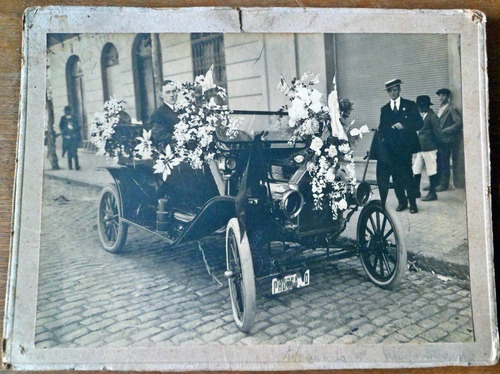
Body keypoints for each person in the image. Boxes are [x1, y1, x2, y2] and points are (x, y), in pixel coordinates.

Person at [376, 79, 423, 214]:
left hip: (405, 149)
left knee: (407, 175)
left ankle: (413, 203)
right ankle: (402, 201)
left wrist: (404, 126)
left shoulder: (410, 105)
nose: (392, 93)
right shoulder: (384, 109)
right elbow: (382, 128)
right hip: (391, 150)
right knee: (396, 177)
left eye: (395, 90)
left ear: (399, 90)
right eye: (389, 91)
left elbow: (419, 123)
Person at [434, 88, 463, 191]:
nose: (441, 98)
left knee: (444, 161)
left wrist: (446, 130)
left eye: (443, 96)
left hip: (447, 139)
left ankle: (444, 184)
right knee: (437, 161)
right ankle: (436, 182)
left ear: (448, 97)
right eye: (440, 96)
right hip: (439, 139)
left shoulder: (451, 108)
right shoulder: (440, 108)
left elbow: (458, 123)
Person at [413, 95, 440, 201]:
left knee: (431, 170)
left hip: (430, 148)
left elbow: (438, 132)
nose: (418, 109)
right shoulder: (424, 115)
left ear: (424, 106)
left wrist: (438, 145)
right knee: (416, 169)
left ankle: (432, 193)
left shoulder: (432, 116)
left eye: (419, 106)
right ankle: (416, 191)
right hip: (421, 148)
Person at [150, 80, 180, 148]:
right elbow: (159, 135)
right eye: (168, 92)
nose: (172, 95)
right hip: (171, 149)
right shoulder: (158, 114)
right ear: (161, 95)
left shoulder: (183, 110)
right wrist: (180, 137)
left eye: (174, 91)